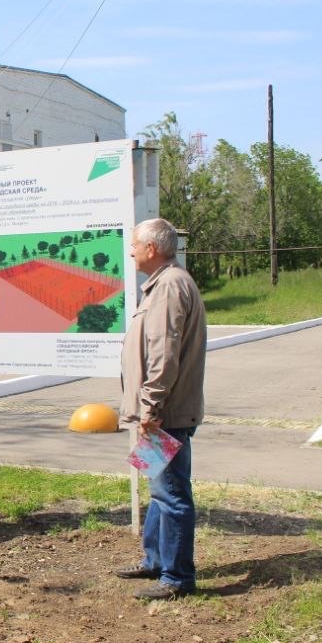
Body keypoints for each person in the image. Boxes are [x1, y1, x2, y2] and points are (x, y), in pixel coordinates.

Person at [115, 218, 207, 600]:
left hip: (163, 415)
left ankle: (177, 579)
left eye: (135, 244)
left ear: (152, 249)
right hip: (160, 412)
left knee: (171, 495)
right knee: (160, 491)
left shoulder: (168, 286)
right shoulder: (164, 283)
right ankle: (155, 560)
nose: (132, 251)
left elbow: (163, 355)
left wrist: (150, 408)